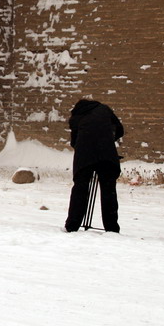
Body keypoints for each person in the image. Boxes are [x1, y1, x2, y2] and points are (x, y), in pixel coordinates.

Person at [63, 98, 124, 233]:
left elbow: (74, 142)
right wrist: (106, 139)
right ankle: (112, 227)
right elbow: (120, 129)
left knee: (81, 187)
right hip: (107, 154)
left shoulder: (76, 117)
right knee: (109, 190)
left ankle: (72, 225)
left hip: (85, 156)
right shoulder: (104, 110)